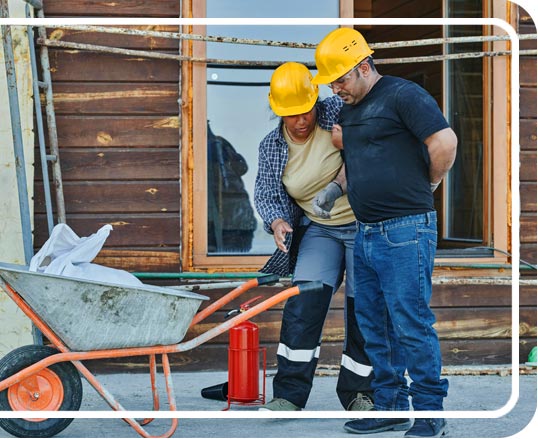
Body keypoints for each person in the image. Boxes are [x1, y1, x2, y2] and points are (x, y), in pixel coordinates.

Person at [312, 28, 457, 437]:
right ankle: (391, 403)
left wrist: (425, 186)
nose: (336, 89)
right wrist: (336, 187)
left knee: (411, 322)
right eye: (331, 82)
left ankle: (430, 412)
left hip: (406, 230)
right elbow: (356, 162)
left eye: (340, 79)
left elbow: (444, 142)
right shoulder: (349, 110)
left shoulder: (402, 95)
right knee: (374, 324)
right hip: (367, 232)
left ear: (363, 66)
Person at [254, 62, 374, 412]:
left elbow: (372, 142)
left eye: (305, 110)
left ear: (315, 102)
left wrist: (346, 142)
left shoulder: (339, 111)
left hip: (364, 222)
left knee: (363, 307)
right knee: (304, 300)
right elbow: (266, 193)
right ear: (278, 111)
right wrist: (276, 221)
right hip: (320, 228)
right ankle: (289, 395)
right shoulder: (271, 145)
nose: (301, 120)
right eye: (291, 114)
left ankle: (360, 393)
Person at [207, 121, 257, 253]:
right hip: (226, 221)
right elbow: (242, 168)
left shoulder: (219, 145)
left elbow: (242, 168)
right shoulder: (217, 145)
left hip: (236, 222)